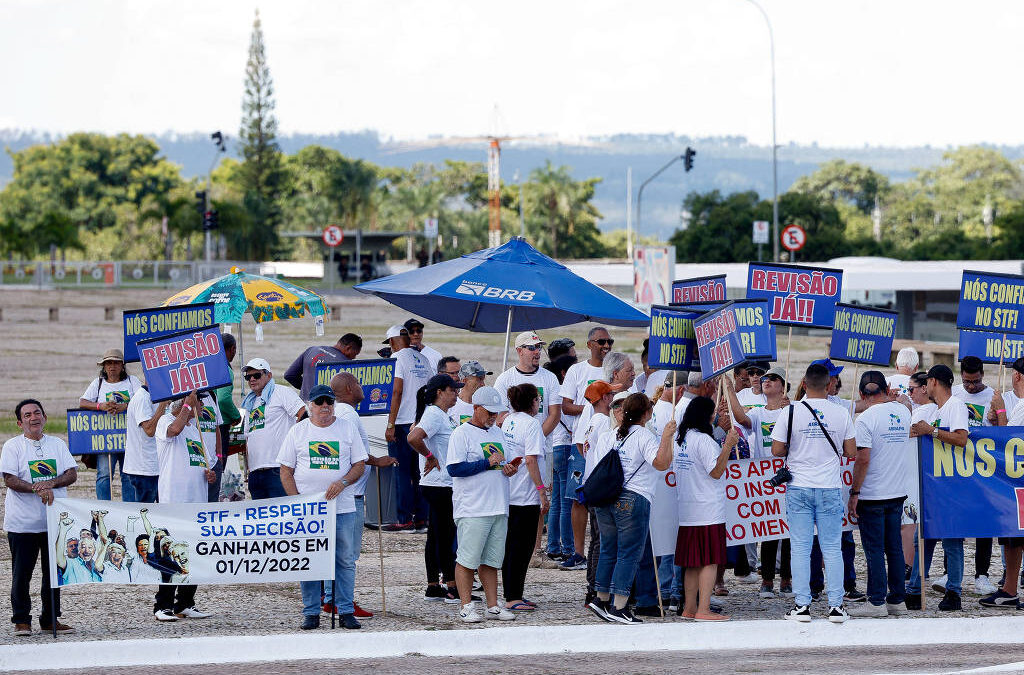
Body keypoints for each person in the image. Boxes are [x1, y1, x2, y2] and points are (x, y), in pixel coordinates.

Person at [771, 363, 857, 623]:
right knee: (832, 547)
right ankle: (836, 606)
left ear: (804, 384)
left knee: (800, 547)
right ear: (830, 384)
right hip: (829, 486)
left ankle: (802, 605)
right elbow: (851, 451)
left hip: (798, 485)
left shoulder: (791, 411)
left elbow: (776, 450)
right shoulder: (841, 413)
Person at [279, 384, 367, 630]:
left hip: (343, 508)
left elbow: (359, 464)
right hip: (309, 511)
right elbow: (285, 471)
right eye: (319, 402)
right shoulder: (298, 432)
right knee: (309, 560)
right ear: (310, 406)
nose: (325, 406)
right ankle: (311, 612)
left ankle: (345, 610)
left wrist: (343, 482)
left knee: (345, 560)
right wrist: (297, 502)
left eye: (329, 401)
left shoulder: (347, 428)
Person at [586, 393, 675, 624]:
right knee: (628, 553)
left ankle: (601, 597)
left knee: (608, 549)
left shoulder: (608, 436)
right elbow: (662, 464)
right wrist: (666, 438)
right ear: (646, 414)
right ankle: (620, 606)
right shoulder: (644, 435)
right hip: (633, 497)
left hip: (606, 498)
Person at [445, 386, 520, 623]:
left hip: (498, 505)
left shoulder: (497, 433)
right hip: (473, 507)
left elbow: (500, 463)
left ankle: (492, 605)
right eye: (488, 412)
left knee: (491, 560)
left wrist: (508, 468)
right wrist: (486, 463)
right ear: (476, 408)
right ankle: (466, 605)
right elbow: (454, 468)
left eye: (496, 413)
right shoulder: (461, 433)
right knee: (467, 558)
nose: (492, 417)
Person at [3, 399, 77, 635]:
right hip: (22, 524)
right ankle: (21, 620)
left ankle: (50, 619)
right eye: (27, 415)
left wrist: (51, 483)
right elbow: (10, 480)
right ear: (19, 422)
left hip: (53, 523)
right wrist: (37, 488)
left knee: (54, 574)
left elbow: (71, 473)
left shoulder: (57, 443)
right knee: (21, 574)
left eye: (37, 413)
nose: (33, 418)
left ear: (44, 417)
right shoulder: (12, 446)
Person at [324, 373, 394, 619]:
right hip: (350, 494)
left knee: (338, 551)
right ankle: (341, 601)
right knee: (348, 554)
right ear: (351, 388)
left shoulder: (339, 413)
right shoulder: (349, 414)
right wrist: (377, 461)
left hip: (346, 492)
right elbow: (354, 453)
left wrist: (373, 461)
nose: (362, 388)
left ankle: (331, 598)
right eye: (359, 384)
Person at [905, 364, 970, 611]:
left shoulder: (956, 406)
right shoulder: (934, 409)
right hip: (932, 485)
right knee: (923, 538)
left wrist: (931, 431)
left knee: (951, 540)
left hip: (951, 485)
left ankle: (954, 591)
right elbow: (916, 434)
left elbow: (961, 438)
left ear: (933, 382)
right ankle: (914, 589)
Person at [847, 371, 911, 617]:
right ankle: (897, 599)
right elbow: (906, 408)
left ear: (862, 395)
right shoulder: (903, 412)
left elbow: (863, 459)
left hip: (873, 493)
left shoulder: (864, 419)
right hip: (897, 491)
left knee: (874, 549)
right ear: (886, 388)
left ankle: (876, 601)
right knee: (893, 547)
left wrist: (855, 492)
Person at [727, 367, 793, 598]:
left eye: (773, 379)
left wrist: (792, 409)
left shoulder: (791, 411)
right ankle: (767, 580)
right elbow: (740, 418)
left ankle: (787, 579)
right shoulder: (759, 413)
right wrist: (729, 390)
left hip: (789, 475)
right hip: (765, 478)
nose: (766, 381)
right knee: (768, 529)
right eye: (765, 378)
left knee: (788, 532)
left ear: (782, 387)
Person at [153, 393, 217, 621]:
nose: (202, 405)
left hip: (196, 503)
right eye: (199, 401)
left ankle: (185, 602)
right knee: (170, 554)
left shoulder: (196, 429)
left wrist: (209, 474)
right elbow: (174, 431)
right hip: (174, 502)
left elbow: (207, 462)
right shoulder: (165, 422)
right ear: (186, 404)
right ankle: (163, 605)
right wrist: (188, 403)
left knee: (195, 555)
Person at [674, 396, 737, 621]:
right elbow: (716, 471)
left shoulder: (681, 438)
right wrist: (728, 445)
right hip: (708, 508)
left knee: (692, 563)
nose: (716, 417)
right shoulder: (703, 440)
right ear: (707, 416)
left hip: (687, 509)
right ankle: (703, 609)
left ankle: (689, 608)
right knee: (709, 561)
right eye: (714, 414)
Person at [560, 330, 615, 570]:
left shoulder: (612, 369)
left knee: (604, 496)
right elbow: (566, 406)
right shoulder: (577, 370)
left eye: (609, 342)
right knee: (578, 496)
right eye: (602, 342)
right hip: (582, 439)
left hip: (608, 438)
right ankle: (578, 552)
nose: (606, 346)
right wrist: (592, 404)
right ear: (590, 344)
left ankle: (601, 549)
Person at [407, 374, 465, 603]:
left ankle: (433, 584)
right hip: (439, 484)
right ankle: (451, 585)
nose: (457, 394)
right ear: (440, 392)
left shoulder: (441, 415)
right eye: (453, 390)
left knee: (436, 534)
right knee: (446, 534)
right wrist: (429, 456)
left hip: (438, 483)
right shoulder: (434, 414)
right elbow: (413, 438)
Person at [499, 383, 550, 611]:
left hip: (510, 492)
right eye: (538, 399)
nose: (539, 403)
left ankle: (513, 592)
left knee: (512, 547)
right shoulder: (532, 424)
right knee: (522, 549)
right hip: (526, 495)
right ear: (532, 402)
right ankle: (512, 597)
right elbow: (531, 460)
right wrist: (542, 491)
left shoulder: (509, 419)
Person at [951, 356, 998, 596]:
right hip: (957, 466)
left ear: (983, 375)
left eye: (976, 381)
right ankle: (952, 572)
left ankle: (982, 574)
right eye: (967, 382)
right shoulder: (955, 394)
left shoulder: (993, 395)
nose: (971, 386)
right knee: (956, 520)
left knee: (984, 522)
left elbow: (1004, 433)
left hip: (983, 468)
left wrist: (996, 418)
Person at [980, 357, 1024, 609]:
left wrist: (1000, 412)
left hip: (1016, 483)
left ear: (1016, 376)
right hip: (1014, 483)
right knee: (1012, 539)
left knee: (1015, 538)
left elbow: (1011, 443)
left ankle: (1010, 589)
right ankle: (1009, 590)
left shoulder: (1021, 406)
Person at [383, 325, 434, 532]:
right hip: (422, 422)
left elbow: (397, 391)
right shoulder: (424, 359)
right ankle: (422, 519)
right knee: (420, 472)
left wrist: (390, 424)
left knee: (402, 473)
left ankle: (404, 519)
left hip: (403, 422)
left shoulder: (397, 358)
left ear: (393, 341)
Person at [80, 348, 142, 501]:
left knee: (128, 475)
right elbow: (83, 402)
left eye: (115, 363)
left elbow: (142, 401)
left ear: (122, 366)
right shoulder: (98, 383)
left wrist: (125, 406)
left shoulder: (132, 381)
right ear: (104, 367)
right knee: (104, 474)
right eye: (108, 363)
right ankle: (104, 507)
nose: (112, 367)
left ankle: (129, 509)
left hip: (129, 437)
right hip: (106, 438)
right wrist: (102, 406)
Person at [241, 358, 306, 500]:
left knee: (283, 518)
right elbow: (249, 437)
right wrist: (249, 470)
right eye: (248, 376)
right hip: (255, 472)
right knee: (262, 520)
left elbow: (303, 414)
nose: (251, 379)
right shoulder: (250, 402)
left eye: (256, 375)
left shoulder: (281, 392)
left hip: (278, 468)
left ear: (268, 375)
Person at [542, 352, 578, 563]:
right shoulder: (564, 394)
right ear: (565, 373)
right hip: (565, 447)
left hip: (553, 448)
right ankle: (568, 547)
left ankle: (553, 546)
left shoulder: (551, 391)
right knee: (567, 502)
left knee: (556, 500)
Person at [123, 383, 168, 505]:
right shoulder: (142, 398)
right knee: (143, 512)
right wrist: (162, 406)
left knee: (161, 511)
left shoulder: (155, 396)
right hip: (144, 469)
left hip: (156, 466)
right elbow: (149, 430)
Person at [284, 333, 363, 401]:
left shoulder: (312, 349)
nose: (354, 358)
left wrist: (307, 387)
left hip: (303, 406)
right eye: (355, 354)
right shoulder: (345, 363)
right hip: (326, 410)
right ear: (348, 348)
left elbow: (289, 375)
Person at [212, 333, 241, 502]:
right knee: (219, 464)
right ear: (232, 349)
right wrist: (235, 415)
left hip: (206, 421)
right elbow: (223, 399)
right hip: (220, 424)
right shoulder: (225, 368)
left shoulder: (210, 365)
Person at [451, 361, 491, 425]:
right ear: (464, 380)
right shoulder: (450, 405)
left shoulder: (486, 407)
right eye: (479, 379)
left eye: (483, 380)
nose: (483, 384)